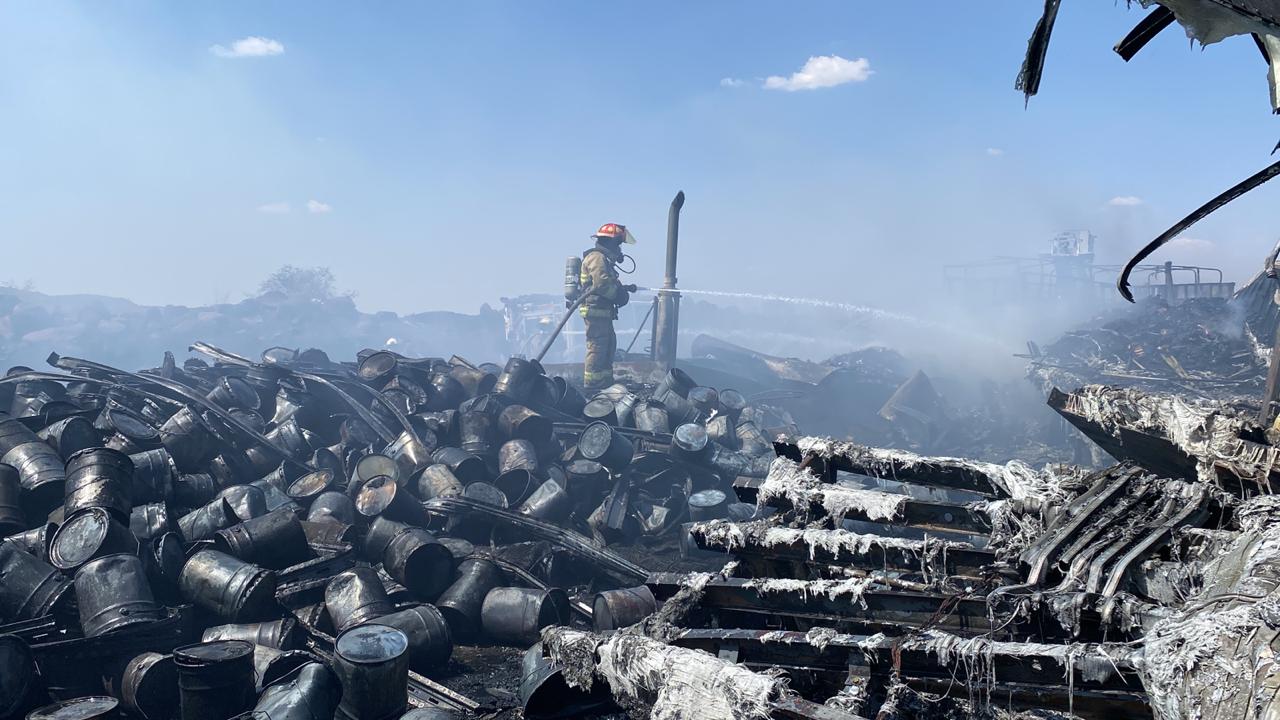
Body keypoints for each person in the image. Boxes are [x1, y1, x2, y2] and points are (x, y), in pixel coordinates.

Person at [579, 223, 637, 390]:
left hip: (602, 312)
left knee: (608, 345)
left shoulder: (603, 259)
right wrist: (619, 295)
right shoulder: (597, 258)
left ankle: (604, 381)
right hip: (595, 311)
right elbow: (602, 285)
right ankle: (593, 383)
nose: (620, 250)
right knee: (597, 346)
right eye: (619, 244)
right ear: (611, 243)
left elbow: (607, 282)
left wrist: (622, 289)